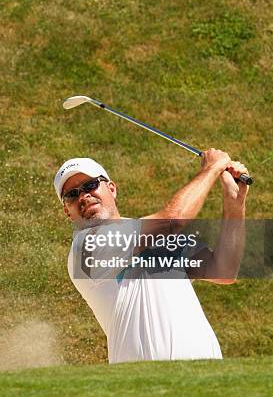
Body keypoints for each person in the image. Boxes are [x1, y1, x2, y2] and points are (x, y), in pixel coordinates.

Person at [53, 150, 249, 363]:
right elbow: (174, 218)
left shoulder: (155, 236)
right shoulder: (86, 247)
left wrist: (234, 202)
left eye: (90, 185)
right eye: (72, 195)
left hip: (209, 378)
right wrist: (212, 168)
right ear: (67, 211)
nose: (83, 196)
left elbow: (223, 271)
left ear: (111, 188)